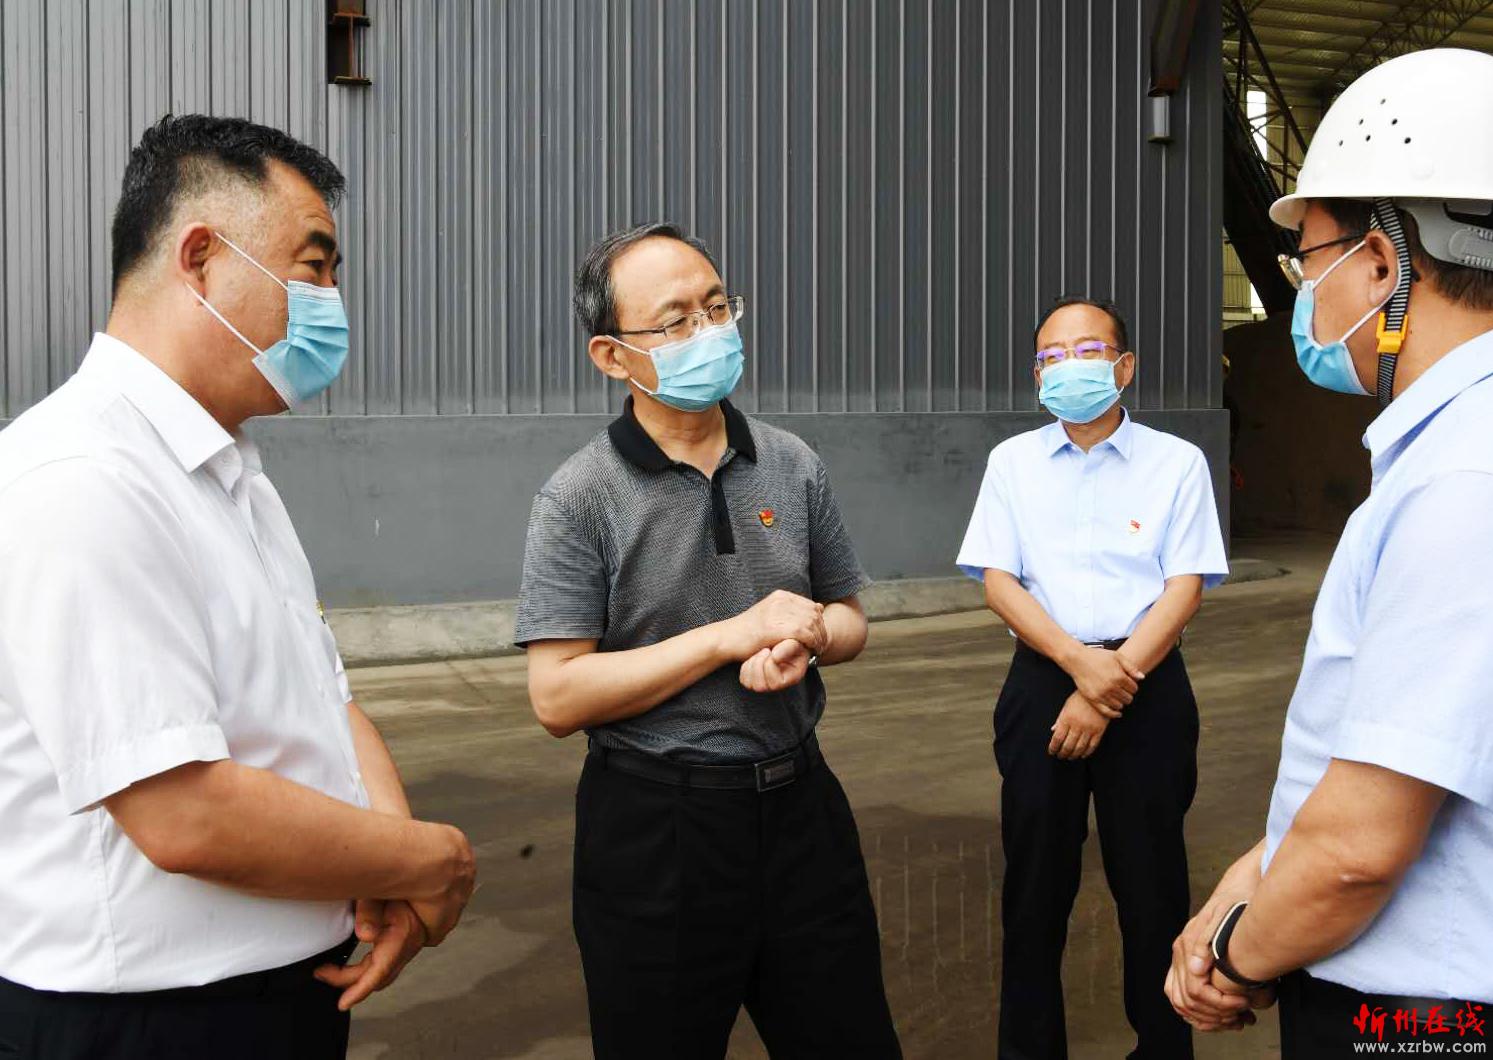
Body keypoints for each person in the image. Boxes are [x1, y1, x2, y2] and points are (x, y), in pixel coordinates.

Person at [0, 115, 475, 1060]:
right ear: (201, 259)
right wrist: (434, 860)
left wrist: (387, 860)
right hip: (149, 1020)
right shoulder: (83, 476)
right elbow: (181, 812)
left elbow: (326, 697)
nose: (331, 302)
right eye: (314, 267)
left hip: (277, 995)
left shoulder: (230, 474)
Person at [1165, 48, 1493, 1056]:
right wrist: (1264, 867)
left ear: (1383, 263)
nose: (1304, 293)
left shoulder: (1460, 479)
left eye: (1307, 262)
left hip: (1423, 1016)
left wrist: (1237, 953)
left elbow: (1357, 850)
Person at [514, 222, 900, 1058]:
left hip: (801, 813)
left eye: (717, 308)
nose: (709, 332)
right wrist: (730, 636)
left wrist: (809, 636)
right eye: (676, 321)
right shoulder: (578, 497)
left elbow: (849, 619)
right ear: (612, 356)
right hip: (659, 831)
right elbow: (557, 696)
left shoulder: (792, 463)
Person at [956, 296, 1228, 1059]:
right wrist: (1080, 668)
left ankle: (1162, 1049)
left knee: (1151, 887)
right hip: (1043, 681)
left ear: (1123, 366)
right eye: (1050, 357)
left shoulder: (1176, 463)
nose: (1065, 368)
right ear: (1035, 375)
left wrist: (1111, 682)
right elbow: (998, 581)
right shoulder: (1011, 463)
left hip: (1148, 685)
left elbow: (1184, 586)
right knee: (1033, 890)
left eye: (1085, 352)